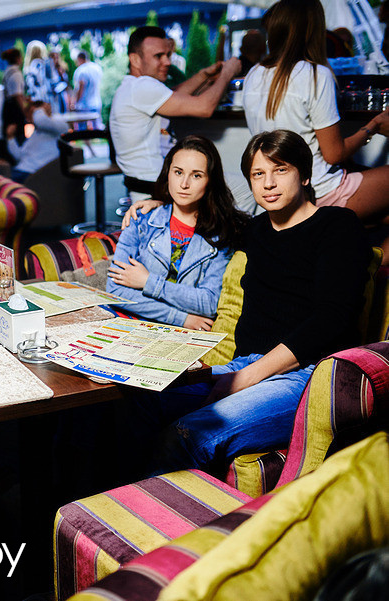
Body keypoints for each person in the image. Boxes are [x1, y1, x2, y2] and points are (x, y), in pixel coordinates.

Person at [138, 130, 370, 475]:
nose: (269, 184)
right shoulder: (255, 229)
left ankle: (173, 528)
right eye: (258, 174)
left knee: (186, 435)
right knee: (135, 402)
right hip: (244, 365)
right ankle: (108, 516)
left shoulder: (337, 225)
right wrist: (158, 205)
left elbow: (331, 318)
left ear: (304, 175)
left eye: (281, 170)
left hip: (307, 377)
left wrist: (243, 378)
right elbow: (206, 210)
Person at [242, 0, 389, 259]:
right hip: (319, 192)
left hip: (278, 191)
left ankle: (350, 260)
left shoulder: (254, 74)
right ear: (313, 31)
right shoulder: (314, 74)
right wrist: (374, 126)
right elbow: (334, 154)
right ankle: (372, 271)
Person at [106, 135, 248, 330]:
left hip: (181, 337)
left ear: (210, 181)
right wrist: (181, 318)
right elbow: (114, 291)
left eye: (196, 175)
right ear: (168, 173)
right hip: (132, 325)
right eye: (178, 172)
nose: (184, 184)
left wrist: (147, 281)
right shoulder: (142, 220)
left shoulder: (221, 233)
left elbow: (208, 302)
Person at [110, 26, 241, 200]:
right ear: (135, 60)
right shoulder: (141, 87)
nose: (167, 62)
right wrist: (228, 73)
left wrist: (203, 76)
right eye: (158, 56)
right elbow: (204, 108)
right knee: (247, 188)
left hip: (149, 183)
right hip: (157, 187)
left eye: (168, 55)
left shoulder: (133, 86)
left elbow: (173, 95)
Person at [6, 101, 69, 182]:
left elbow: (41, 121)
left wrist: (39, 109)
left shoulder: (59, 127)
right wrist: (10, 138)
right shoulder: (35, 134)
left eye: (33, 113)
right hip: (20, 171)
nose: (30, 118)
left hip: (34, 174)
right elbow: (19, 156)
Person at [1, 47, 28, 146]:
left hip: (8, 108)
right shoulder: (16, 73)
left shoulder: (7, 71)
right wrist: (25, 112)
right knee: (18, 137)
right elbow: (17, 95)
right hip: (14, 110)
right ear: (17, 58)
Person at [70, 51, 103, 129]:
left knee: (82, 129)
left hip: (84, 105)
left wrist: (75, 102)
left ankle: (87, 141)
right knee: (97, 126)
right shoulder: (97, 68)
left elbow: (81, 88)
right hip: (96, 102)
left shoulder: (81, 70)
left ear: (80, 59)